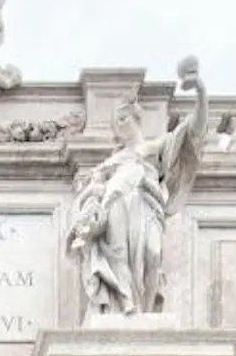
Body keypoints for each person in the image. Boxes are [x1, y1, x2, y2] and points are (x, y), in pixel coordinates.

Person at [66, 58, 207, 317]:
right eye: (116, 122)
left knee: (153, 254)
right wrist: (91, 195)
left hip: (147, 205)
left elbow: (193, 132)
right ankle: (126, 303)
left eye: (123, 119)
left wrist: (200, 91)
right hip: (116, 202)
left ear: (135, 119)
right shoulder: (111, 162)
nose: (119, 126)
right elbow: (90, 188)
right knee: (118, 254)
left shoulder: (156, 147)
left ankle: (146, 311)